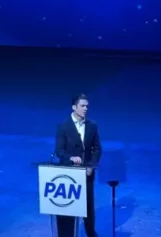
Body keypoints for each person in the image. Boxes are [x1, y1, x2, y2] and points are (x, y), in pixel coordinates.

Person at [54, 94, 101, 237]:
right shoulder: (63, 126)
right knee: (68, 209)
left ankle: (90, 233)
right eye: (82, 106)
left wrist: (91, 166)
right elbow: (59, 151)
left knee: (88, 208)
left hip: (87, 174)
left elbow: (97, 149)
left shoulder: (92, 126)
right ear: (74, 107)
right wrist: (70, 158)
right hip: (69, 175)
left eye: (87, 106)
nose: (86, 108)